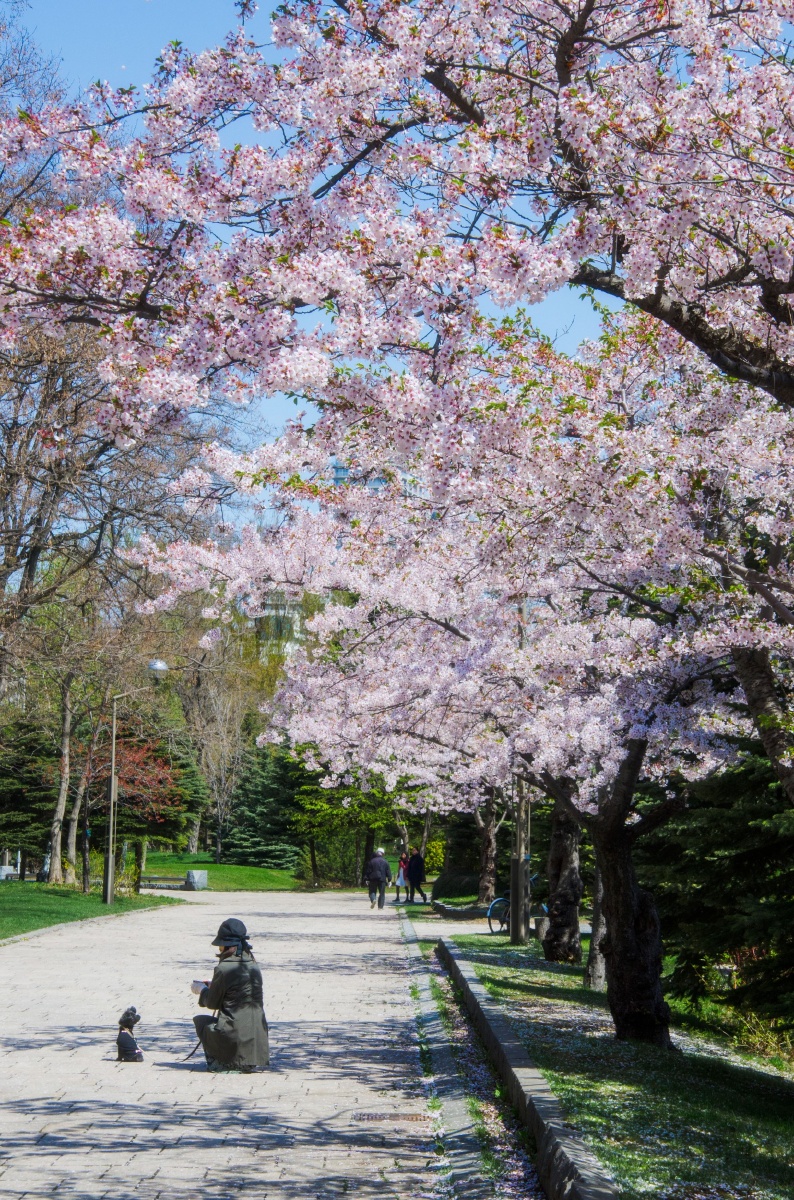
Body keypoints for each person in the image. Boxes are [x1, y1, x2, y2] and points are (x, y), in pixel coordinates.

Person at [191, 918, 269, 1073]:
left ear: (225, 945)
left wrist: (201, 989)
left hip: (234, 1035)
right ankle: (245, 1062)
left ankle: (223, 1064)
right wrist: (214, 985)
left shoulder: (223, 968)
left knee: (201, 1021)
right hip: (257, 1037)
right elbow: (237, 989)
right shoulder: (253, 965)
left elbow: (212, 1003)